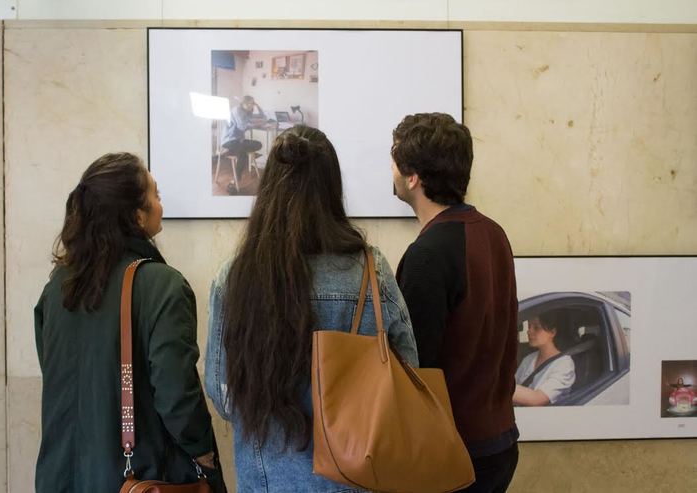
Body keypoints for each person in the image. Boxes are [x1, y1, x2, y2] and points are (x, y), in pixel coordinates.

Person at [205, 125, 418, 492]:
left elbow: (223, 393)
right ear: (332, 189)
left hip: (267, 479)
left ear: (269, 189)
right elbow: (408, 369)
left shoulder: (236, 278)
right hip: (357, 477)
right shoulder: (370, 270)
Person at [34, 152, 225, 492]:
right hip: (137, 479)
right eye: (157, 195)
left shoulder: (57, 288)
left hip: (59, 477)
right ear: (137, 216)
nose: (161, 205)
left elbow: (57, 376)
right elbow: (177, 395)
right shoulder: (163, 285)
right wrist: (205, 454)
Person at [391, 113, 519, 493]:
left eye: (394, 160)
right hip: (498, 443)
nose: (392, 171)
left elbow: (414, 368)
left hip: (455, 454)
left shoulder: (428, 254)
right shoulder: (494, 234)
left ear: (413, 177)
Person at [513, 313, 576, 406]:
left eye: (536, 328)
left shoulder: (564, 364)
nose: (529, 331)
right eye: (529, 326)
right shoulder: (529, 359)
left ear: (552, 332)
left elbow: (538, 399)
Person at [221, 95, 265, 194]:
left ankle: (234, 181)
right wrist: (255, 124)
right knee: (243, 154)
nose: (251, 105)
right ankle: (234, 181)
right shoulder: (237, 110)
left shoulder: (248, 111)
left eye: (253, 103)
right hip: (229, 140)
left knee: (258, 144)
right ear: (244, 103)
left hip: (239, 141)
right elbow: (242, 126)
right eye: (250, 103)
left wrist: (258, 106)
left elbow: (262, 116)